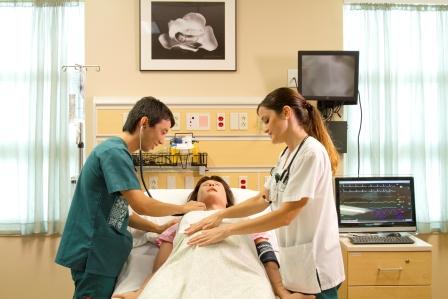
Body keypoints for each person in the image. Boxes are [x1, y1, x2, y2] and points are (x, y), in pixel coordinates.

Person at [186, 87, 345, 299]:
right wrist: (220, 215)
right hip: (298, 264)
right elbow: (263, 199)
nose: (264, 128)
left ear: (286, 113)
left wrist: (228, 230)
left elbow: (287, 215)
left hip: (316, 266)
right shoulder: (286, 155)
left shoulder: (312, 153)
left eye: (267, 120)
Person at [55, 96, 205, 299]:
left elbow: (120, 212)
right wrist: (185, 208)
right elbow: (141, 204)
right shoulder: (113, 153)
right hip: (95, 253)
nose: (162, 140)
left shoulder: (118, 154)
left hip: (103, 256)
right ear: (144, 123)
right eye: (162, 132)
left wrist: (156, 228)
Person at [113, 176, 315, 299]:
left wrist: (281, 291)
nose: (211, 185)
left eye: (217, 185)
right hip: (185, 274)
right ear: (195, 198)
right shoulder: (179, 222)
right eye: (205, 185)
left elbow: (267, 253)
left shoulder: (247, 221)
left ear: (228, 199)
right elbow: (163, 265)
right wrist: (141, 291)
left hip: (242, 276)